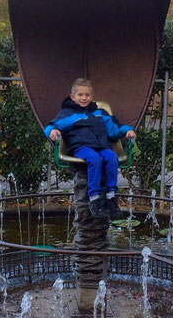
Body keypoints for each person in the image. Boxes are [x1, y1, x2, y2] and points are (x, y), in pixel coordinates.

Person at [44, 78, 136, 220]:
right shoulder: (68, 113)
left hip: (101, 146)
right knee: (94, 158)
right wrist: (52, 132)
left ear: (92, 97)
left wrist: (128, 130)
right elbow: (52, 126)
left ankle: (111, 197)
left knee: (111, 157)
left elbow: (114, 130)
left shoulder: (100, 113)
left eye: (87, 95)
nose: (84, 98)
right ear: (73, 97)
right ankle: (94, 198)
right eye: (80, 95)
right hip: (81, 147)